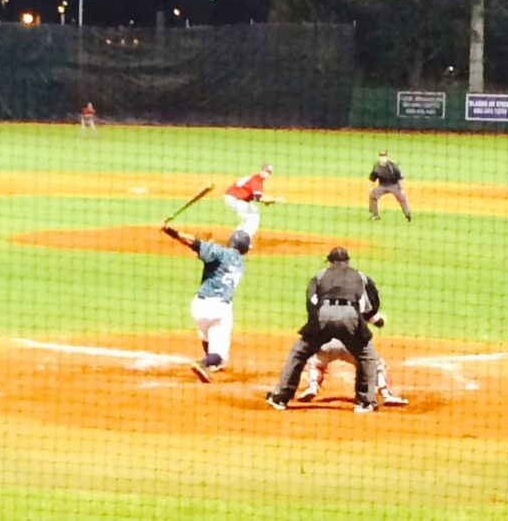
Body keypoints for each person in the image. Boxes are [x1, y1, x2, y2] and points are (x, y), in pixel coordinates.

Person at [265, 247, 382, 413]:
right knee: (367, 357)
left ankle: (280, 398)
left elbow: (311, 302)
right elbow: (373, 304)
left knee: (299, 353)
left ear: (329, 261)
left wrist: (315, 328)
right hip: (351, 315)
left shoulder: (319, 276)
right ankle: (364, 402)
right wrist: (362, 321)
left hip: (323, 314)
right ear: (348, 261)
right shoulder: (361, 276)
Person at [160, 223, 251, 382]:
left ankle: (209, 361)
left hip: (198, 306)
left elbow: (192, 243)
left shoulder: (219, 252)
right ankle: (204, 363)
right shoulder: (241, 263)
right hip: (219, 309)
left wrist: (170, 231)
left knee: (206, 334)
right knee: (220, 355)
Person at [295, 338, 409, 406]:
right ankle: (386, 395)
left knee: (315, 362)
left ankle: (312, 386)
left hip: (327, 346)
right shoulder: (357, 299)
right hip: (352, 346)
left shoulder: (324, 301)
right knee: (377, 364)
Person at [224, 164, 279, 243]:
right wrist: (274, 200)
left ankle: (237, 235)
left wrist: (269, 201)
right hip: (234, 198)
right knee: (254, 214)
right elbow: (258, 198)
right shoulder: (256, 180)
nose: (266, 174)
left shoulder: (255, 179)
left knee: (248, 216)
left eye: (269, 173)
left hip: (233, 198)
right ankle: (247, 239)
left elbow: (255, 197)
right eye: (265, 171)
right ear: (261, 170)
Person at [369, 150, 412, 222]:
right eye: (381, 156)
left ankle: (407, 213)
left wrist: (401, 187)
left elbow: (400, 177)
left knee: (402, 197)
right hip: (382, 185)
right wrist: (372, 188)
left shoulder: (392, 166)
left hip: (394, 185)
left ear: (386, 157)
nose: (383, 157)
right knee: (372, 195)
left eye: (384, 156)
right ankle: (375, 214)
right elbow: (373, 178)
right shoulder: (376, 166)